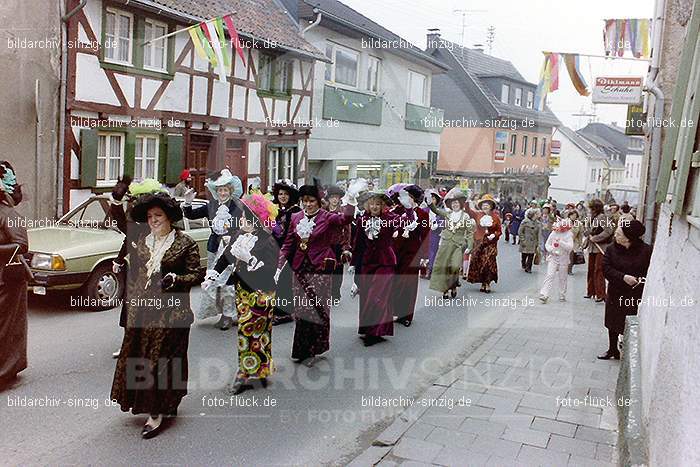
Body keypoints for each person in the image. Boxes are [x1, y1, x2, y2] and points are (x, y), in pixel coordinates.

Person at [111, 192, 203, 439]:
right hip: (144, 309)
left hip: (173, 312)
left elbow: (196, 274)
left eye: (158, 215)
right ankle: (153, 404)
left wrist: (177, 278)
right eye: (150, 216)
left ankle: (158, 412)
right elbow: (139, 274)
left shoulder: (185, 243)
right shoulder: (144, 241)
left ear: (169, 217)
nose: (153, 220)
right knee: (142, 357)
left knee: (162, 360)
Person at [204, 194, 279, 393]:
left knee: (253, 332)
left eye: (246, 217)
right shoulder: (238, 235)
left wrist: (250, 260)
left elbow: (270, 270)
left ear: (256, 220)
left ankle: (244, 374)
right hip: (243, 291)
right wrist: (212, 275)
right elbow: (226, 256)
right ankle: (259, 370)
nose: (242, 220)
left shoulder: (267, 241)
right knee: (249, 333)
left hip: (262, 293)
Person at [277, 181, 358, 366]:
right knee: (301, 310)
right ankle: (300, 349)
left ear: (319, 201)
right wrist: (279, 264)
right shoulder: (296, 217)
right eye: (305, 201)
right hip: (299, 268)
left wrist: (351, 201)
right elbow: (289, 243)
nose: (307, 204)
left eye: (311, 201)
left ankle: (314, 350)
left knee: (316, 309)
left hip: (320, 268)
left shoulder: (327, 217)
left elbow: (345, 220)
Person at [182, 169, 243, 329]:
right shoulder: (211, 206)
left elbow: (244, 227)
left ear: (231, 190)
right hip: (214, 249)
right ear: (216, 191)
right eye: (220, 190)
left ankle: (228, 316)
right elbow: (190, 216)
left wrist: (234, 235)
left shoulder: (237, 207)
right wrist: (187, 202)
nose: (222, 193)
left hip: (231, 249)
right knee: (214, 281)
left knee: (228, 284)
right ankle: (220, 311)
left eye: (225, 190)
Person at [599, 220, 652, 359]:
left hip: (634, 293)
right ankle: (612, 349)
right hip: (616, 291)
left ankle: (629, 351)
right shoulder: (611, 249)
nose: (616, 234)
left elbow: (651, 273)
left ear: (628, 238)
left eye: (619, 233)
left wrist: (639, 281)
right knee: (612, 321)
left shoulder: (646, 251)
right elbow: (606, 268)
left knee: (630, 322)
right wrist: (623, 277)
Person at [352, 191, 398, 346]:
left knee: (377, 296)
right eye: (372, 203)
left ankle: (374, 333)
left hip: (385, 262)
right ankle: (368, 329)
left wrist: (410, 209)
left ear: (382, 206)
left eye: (377, 204)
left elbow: (404, 221)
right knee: (366, 295)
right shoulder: (362, 220)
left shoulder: (390, 219)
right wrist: (353, 264)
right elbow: (358, 244)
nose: (374, 206)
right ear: (367, 205)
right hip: (367, 262)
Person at [0, 161, 29, 387]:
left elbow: (21, 245)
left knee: (8, 327)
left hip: (7, 280)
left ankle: (6, 372)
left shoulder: (9, 214)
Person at [389, 185, 429, 327]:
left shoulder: (423, 215)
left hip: (412, 254)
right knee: (394, 282)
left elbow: (425, 236)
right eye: (405, 197)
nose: (406, 199)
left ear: (415, 199)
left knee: (408, 284)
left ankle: (406, 315)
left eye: (410, 197)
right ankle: (394, 310)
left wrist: (425, 256)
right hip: (395, 251)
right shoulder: (397, 211)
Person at [428, 187, 474, 298]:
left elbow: (469, 232)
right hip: (445, 243)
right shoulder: (447, 214)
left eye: (457, 203)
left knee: (455, 266)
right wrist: (430, 203)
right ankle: (445, 289)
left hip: (458, 244)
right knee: (444, 266)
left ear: (461, 204)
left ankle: (453, 284)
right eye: (453, 203)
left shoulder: (466, 216)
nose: (455, 205)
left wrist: (470, 246)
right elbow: (436, 210)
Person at [270, 180, 301, 325]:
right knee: (276, 279)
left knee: (285, 280)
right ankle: (277, 309)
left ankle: (285, 313)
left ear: (291, 195)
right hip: (276, 248)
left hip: (290, 249)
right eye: (280, 194)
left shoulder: (295, 211)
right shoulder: (278, 209)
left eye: (285, 194)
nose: (282, 196)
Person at [466, 194, 502, 293]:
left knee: (488, 262)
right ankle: (482, 282)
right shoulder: (478, 214)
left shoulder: (495, 217)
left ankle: (488, 283)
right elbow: (468, 211)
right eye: (483, 204)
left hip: (491, 243)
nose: (485, 206)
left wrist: (494, 235)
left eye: (487, 204)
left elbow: (499, 230)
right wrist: (466, 200)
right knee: (479, 262)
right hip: (479, 242)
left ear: (491, 206)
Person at [325, 185, 352, 303]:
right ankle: (325, 293)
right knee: (325, 270)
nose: (334, 200)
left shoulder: (343, 212)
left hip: (338, 246)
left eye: (336, 197)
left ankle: (335, 294)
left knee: (337, 272)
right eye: (332, 197)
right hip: (325, 245)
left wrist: (346, 247)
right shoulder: (323, 211)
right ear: (328, 198)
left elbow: (347, 230)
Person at [539, 219, 574, 303]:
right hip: (553, 257)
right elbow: (547, 243)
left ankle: (562, 294)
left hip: (563, 259)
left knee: (562, 277)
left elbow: (570, 247)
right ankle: (544, 294)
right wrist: (551, 249)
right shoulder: (554, 233)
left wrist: (561, 242)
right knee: (550, 275)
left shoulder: (569, 235)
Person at [585, 199, 613, 302]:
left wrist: (596, 238)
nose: (590, 210)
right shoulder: (592, 218)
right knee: (591, 269)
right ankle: (591, 291)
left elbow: (609, 230)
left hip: (600, 248)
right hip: (592, 248)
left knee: (598, 270)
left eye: (591, 208)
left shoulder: (602, 217)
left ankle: (601, 294)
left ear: (595, 209)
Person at [425, 190, 445, 280]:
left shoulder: (439, 211)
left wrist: (437, 225)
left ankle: (430, 270)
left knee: (433, 252)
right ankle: (424, 269)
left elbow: (443, 222)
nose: (432, 200)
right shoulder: (424, 210)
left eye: (433, 199)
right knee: (424, 252)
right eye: (430, 199)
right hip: (425, 233)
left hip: (435, 234)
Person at [518, 208, 540, 273]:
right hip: (526, 240)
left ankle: (528, 268)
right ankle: (523, 263)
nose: (538, 215)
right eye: (537, 214)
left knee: (531, 255)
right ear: (533, 214)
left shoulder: (538, 223)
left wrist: (538, 243)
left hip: (533, 241)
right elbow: (520, 232)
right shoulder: (525, 222)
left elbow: (538, 233)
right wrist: (522, 240)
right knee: (524, 254)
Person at [567, 210, 584, 275]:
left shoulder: (579, 224)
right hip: (565, 242)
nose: (573, 217)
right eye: (572, 215)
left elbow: (580, 235)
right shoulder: (565, 222)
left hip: (574, 242)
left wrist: (580, 244)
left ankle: (569, 270)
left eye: (575, 216)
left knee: (571, 257)